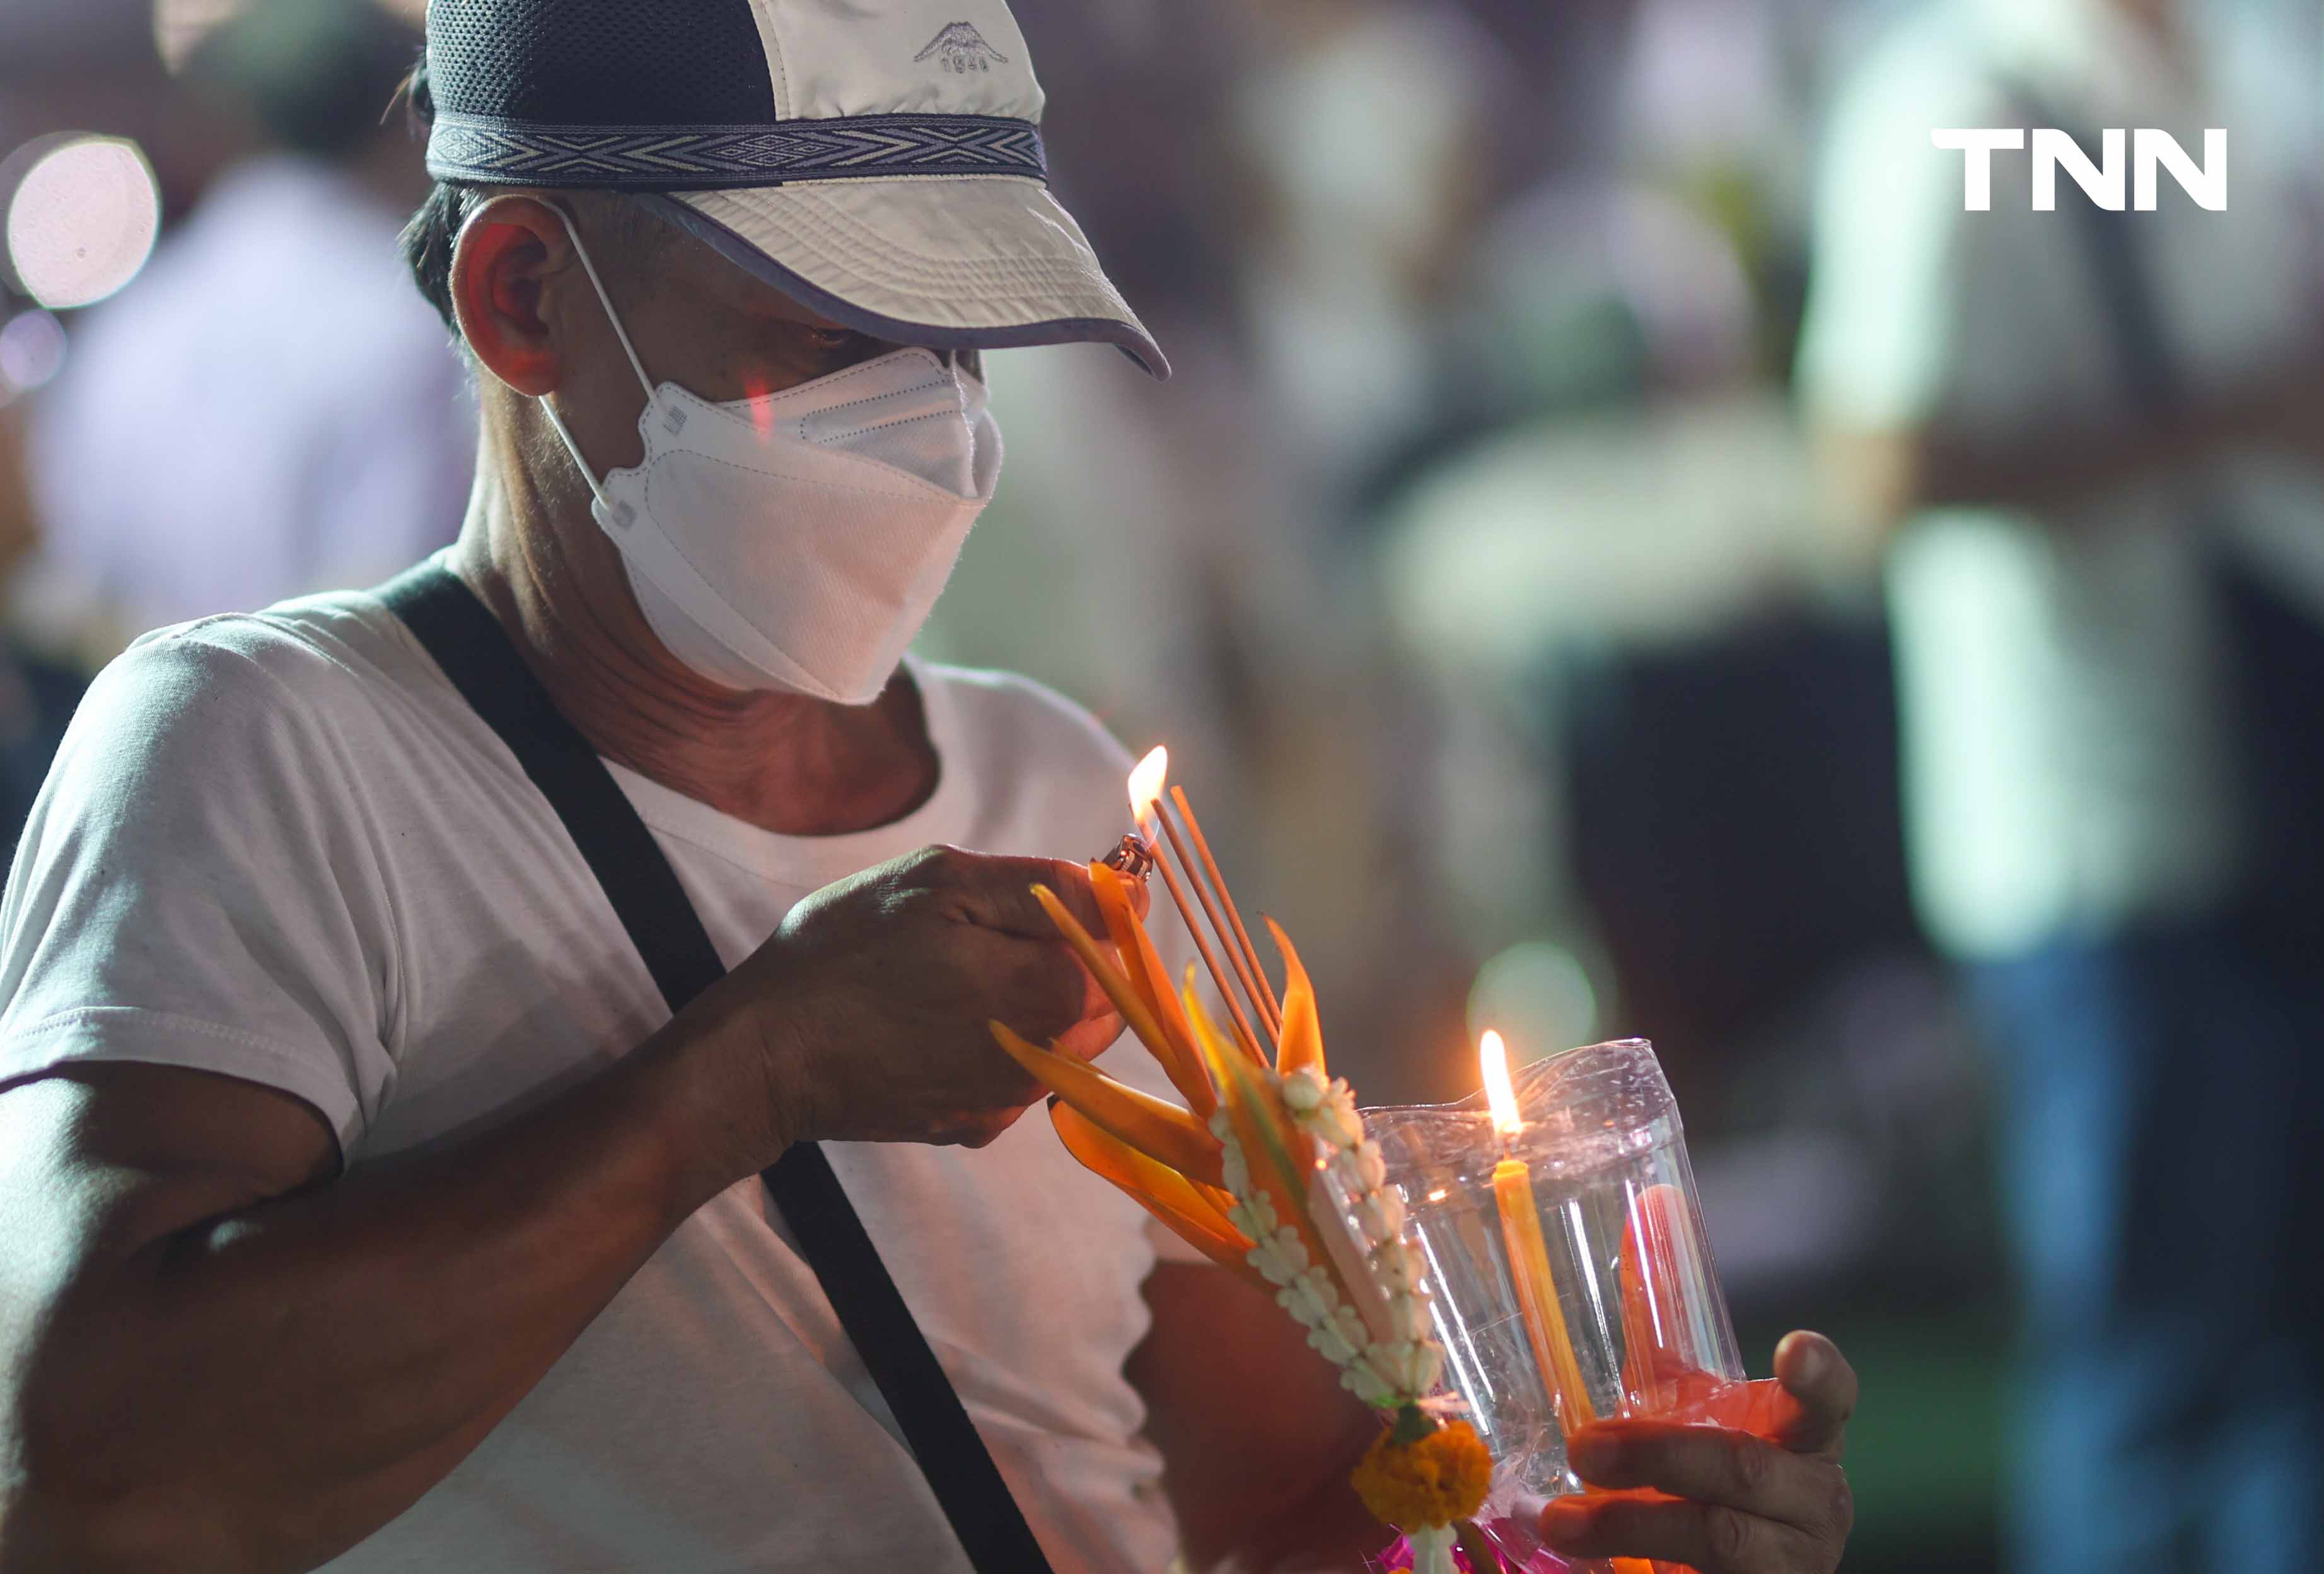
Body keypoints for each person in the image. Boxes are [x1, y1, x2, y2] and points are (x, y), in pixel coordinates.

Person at [0, 4, 1857, 1571]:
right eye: (831, 334)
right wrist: (744, 1074)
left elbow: (1264, 1496)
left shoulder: (1041, 774)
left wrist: (1579, 1525)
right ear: (527, 296)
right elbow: (78, 1475)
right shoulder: (266, 754)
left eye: (962, 338)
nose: (940, 422)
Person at [1799, 1, 2324, 1569]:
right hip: (2095, 838)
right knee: (2150, 1368)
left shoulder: (2228, 68)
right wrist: (2227, 419)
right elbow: (1865, 467)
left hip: (2283, 810)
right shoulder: (1959, 99)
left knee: (2313, 1366)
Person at [15, 0, 472, 660]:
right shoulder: (412, 320)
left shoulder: (131, 323)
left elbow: (76, 588)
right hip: (342, 738)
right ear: (398, 123)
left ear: (225, 123)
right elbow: (399, 602)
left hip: (148, 728)